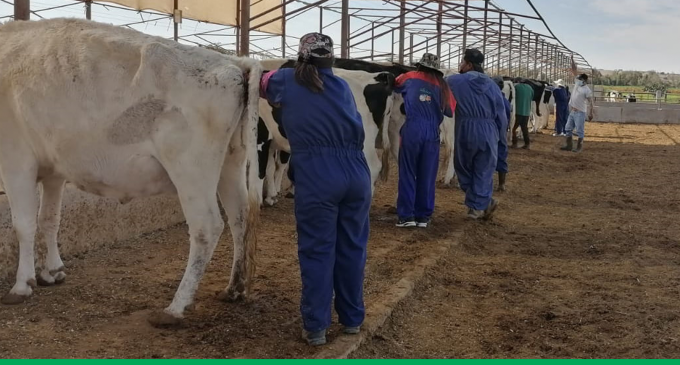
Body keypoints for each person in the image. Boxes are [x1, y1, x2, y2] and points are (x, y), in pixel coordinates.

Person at [259, 33, 371, 346]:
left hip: (319, 173)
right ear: (331, 59)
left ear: (301, 56)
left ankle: (317, 326)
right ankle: (352, 320)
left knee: (318, 250)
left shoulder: (285, 80)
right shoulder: (343, 86)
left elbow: (258, 82)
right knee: (352, 248)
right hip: (357, 172)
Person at [394, 53, 455, 228]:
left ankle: (406, 216)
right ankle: (423, 216)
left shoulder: (410, 76)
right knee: (427, 175)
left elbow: (395, 85)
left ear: (420, 65)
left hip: (412, 129)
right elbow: (450, 111)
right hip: (432, 133)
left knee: (407, 172)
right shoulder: (444, 86)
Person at [446, 49, 508, 220]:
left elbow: (438, 87)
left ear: (468, 64)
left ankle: (479, 205)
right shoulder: (493, 86)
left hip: (465, 127)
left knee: (463, 167)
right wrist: (501, 138)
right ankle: (481, 204)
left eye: (462, 62)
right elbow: (501, 115)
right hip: (489, 130)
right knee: (484, 168)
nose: (460, 65)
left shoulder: (453, 81)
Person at [561, 73, 594, 153]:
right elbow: (574, 70)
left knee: (580, 131)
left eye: (579, 79)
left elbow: (591, 102)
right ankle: (569, 146)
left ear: (584, 81)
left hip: (580, 112)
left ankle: (579, 147)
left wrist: (591, 113)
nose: (577, 80)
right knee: (568, 128)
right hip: (573, 111)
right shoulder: (577, 85)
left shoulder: (587, 90)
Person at [492, 76, 511, 192]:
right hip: (502, 131)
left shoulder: (490, 98)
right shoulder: (506, 101)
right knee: (501, 155)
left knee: (485, 158)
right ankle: (501, 184)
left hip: (490, 131)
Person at [512, 79, 534, 149]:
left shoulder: (516, 87)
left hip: (518, 111)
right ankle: (527, 144)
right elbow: (532, 97)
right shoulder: (530, 88)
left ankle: (514, 143)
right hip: (526, 111)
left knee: (513, 128)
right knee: (524, 128)